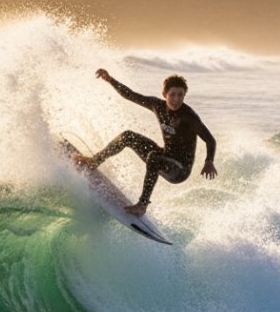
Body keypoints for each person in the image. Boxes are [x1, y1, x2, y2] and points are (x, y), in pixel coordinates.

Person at [74, 69, 217, 216]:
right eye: (172, 94)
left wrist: (209, 161)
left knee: (154, 157)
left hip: (180, 170)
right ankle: (94, 161)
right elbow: (130, 95)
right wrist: (110, 79)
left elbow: (210, 140)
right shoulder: (157, 105)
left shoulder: (189, 117)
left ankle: (142, 205)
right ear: (164, 94)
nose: (176, 99)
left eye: (180, 95)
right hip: (165, 156)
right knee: (128, 136)